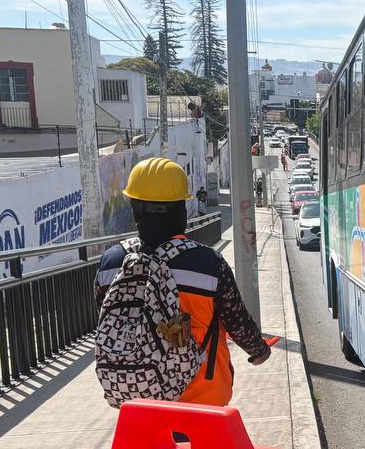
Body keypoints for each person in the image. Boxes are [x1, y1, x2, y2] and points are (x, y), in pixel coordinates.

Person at [95, 157, 270, 406]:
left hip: (138, 400)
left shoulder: (111, 263)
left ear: (135, 209)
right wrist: (258, 350)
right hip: (203, 399)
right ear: (180, 211)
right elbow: (237, 320)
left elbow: (104, 318)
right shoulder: (208, 264)